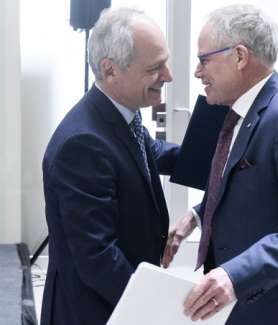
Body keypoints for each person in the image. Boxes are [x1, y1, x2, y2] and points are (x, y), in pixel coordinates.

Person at [162, 4, 278, 325]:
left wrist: (235, 276)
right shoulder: (240, 112)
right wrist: (197, 214)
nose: (197, 72)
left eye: (204, 60)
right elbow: (249, 188)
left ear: (240, 57)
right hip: (251, 300)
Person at [41, 7, 179, 325]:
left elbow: (147, 152)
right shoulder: (82, 144)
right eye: (156, 68)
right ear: (110, 69)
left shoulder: (121, 113)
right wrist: (153, 311)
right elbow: (97, 257)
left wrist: (221, 157)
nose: (168, 76)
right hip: (97, 313)